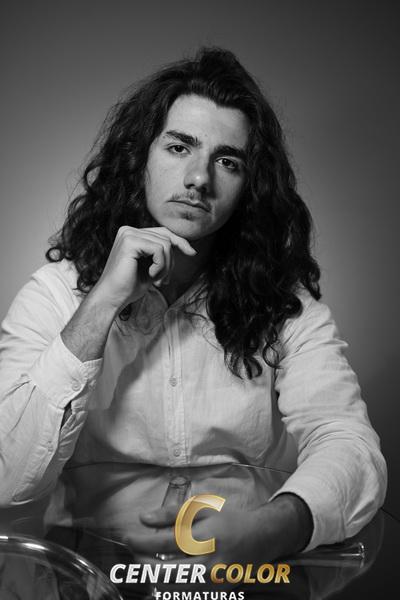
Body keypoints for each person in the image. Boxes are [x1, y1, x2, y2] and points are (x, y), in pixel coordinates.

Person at [0, 48, 386, 562]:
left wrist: (273, 528)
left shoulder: (284, 305)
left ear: (248, 187)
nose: (199, 178)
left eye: (227, 161)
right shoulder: (53, 294)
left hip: (244, 575)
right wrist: (102, 301)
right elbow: (6, 479)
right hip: (91, 576)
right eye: (179, 147)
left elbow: (348, 443)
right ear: (139, 157)